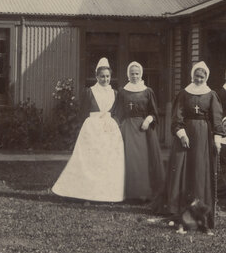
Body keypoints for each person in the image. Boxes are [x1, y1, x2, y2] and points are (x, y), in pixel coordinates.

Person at [51, 58, 125, 202]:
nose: (105, 79)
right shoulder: (89, 92)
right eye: (102, 76)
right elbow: (83, 113)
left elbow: (117, 112)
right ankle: (88, 195)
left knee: (108, 161)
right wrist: (90, 127)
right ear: (97, 77)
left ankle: (108, 195)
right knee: (91, 161)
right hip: (92, 129)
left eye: (107, 76)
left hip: (109, 130)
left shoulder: (115, 93)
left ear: (111, 77)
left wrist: (112, 123)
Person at [164, 61, 223, 233]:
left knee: (199, 171)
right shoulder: (184, 93)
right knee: (183, 171)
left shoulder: (211, 95)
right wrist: (181, 134)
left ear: (206, 77)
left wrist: (217, 139)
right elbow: (177, 116)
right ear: (192, 76)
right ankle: (180, 213)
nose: (199, 79)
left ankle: (201, 213)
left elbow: (216, 118)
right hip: (186, 135)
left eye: (202, 76)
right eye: (196, 76)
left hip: (203, 137)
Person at [113, 61, 166, 209]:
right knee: (129, 160)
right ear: (128, 75)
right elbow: (118, 112)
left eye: (137, 73)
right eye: (132, 73)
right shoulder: (123, 91)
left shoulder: (148, 91)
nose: (134, 76)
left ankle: (145, 194)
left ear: (141, 74)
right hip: (127, 129)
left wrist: (148, 120)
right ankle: (128, 194)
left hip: (144, 130)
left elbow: (154, 112)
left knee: (144, 160)